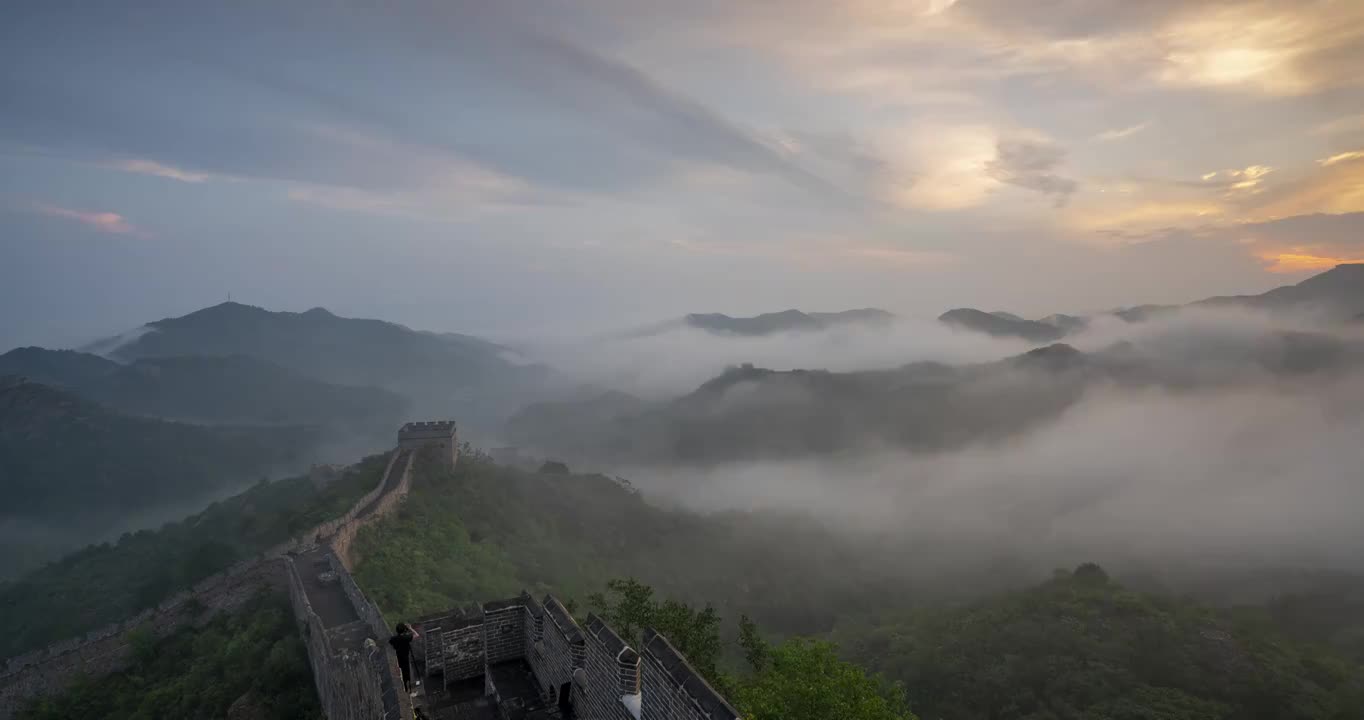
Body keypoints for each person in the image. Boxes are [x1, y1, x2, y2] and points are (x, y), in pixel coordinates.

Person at [389, 622, 420, 694]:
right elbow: (417, 635)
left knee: (403, 675)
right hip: (405, 657)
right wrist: (410, 628)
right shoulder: (406, 638)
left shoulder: (394, 638)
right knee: (407, 675)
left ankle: (406, 689)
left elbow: (391, 642)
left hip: (398, 657)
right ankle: (408, 691)